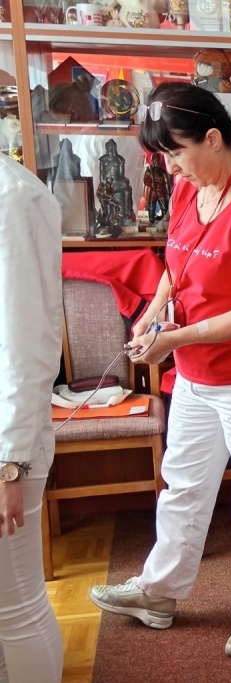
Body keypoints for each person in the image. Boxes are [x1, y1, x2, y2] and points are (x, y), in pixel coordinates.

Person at [88, 82, 231, 659]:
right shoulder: (191, 187)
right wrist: (153, 313)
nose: (170, 167)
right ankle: (159, 592)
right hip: (196, 374)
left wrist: (175, 338)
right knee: (182, 486)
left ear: (214, 138)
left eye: (176, 152)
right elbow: (175, 265)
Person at [0, 151, 65, 681]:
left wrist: (10, 463)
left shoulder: (12, 197)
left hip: (8, 441)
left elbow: (23, 346)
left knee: (16, 605)